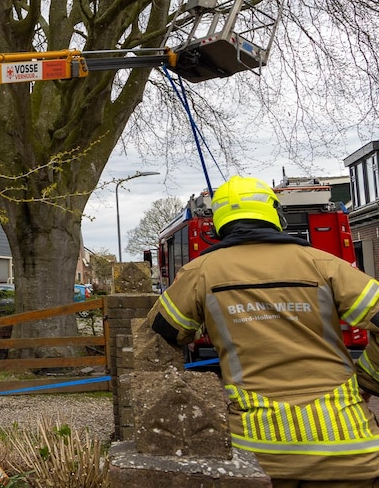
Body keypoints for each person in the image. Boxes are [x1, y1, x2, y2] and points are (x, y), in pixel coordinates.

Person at [148, 175, 379, 487]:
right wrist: (367, 377)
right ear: (275, 215)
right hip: (349, 449)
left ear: (219, 223)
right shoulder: (323, 264)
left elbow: (164, 329)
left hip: (260, 453)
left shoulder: (201, 272)